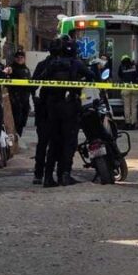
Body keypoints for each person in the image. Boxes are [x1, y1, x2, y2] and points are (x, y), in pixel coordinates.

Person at [40, 37, 95, 187]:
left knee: (54, 142)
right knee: (69, 143)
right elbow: (91, 75)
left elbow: (41, 79)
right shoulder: (76, 63)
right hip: (70, 107)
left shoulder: (52, 64)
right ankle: (65, 175)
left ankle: (47, 177)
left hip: (52, 108)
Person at [31, 38, 61, 185]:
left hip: (44, 107)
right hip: (55, 109)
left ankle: (39, 174)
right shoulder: (61, 65)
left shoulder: (43, 64)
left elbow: (32, 86)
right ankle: (51, 174)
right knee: (54, 143)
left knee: (42, 143)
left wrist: (36, 101)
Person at [8, 50, 34, 137]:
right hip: (15, 99)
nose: (20, 59)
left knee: (23, 120)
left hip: (25, 99)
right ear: (15, 58)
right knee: (16, 120)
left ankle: (19, 135)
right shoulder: (11, 68)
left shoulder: (26, 69)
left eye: (21, 57)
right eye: (18, 57)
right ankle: (16, 136)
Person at [118, 55, 138, 129]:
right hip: (135, 87)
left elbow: (120, 75)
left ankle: (127, 123)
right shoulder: (135, 66)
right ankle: (133, 123)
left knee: (127, 107)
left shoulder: (121, 67)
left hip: (126, 87)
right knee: (134, 107)